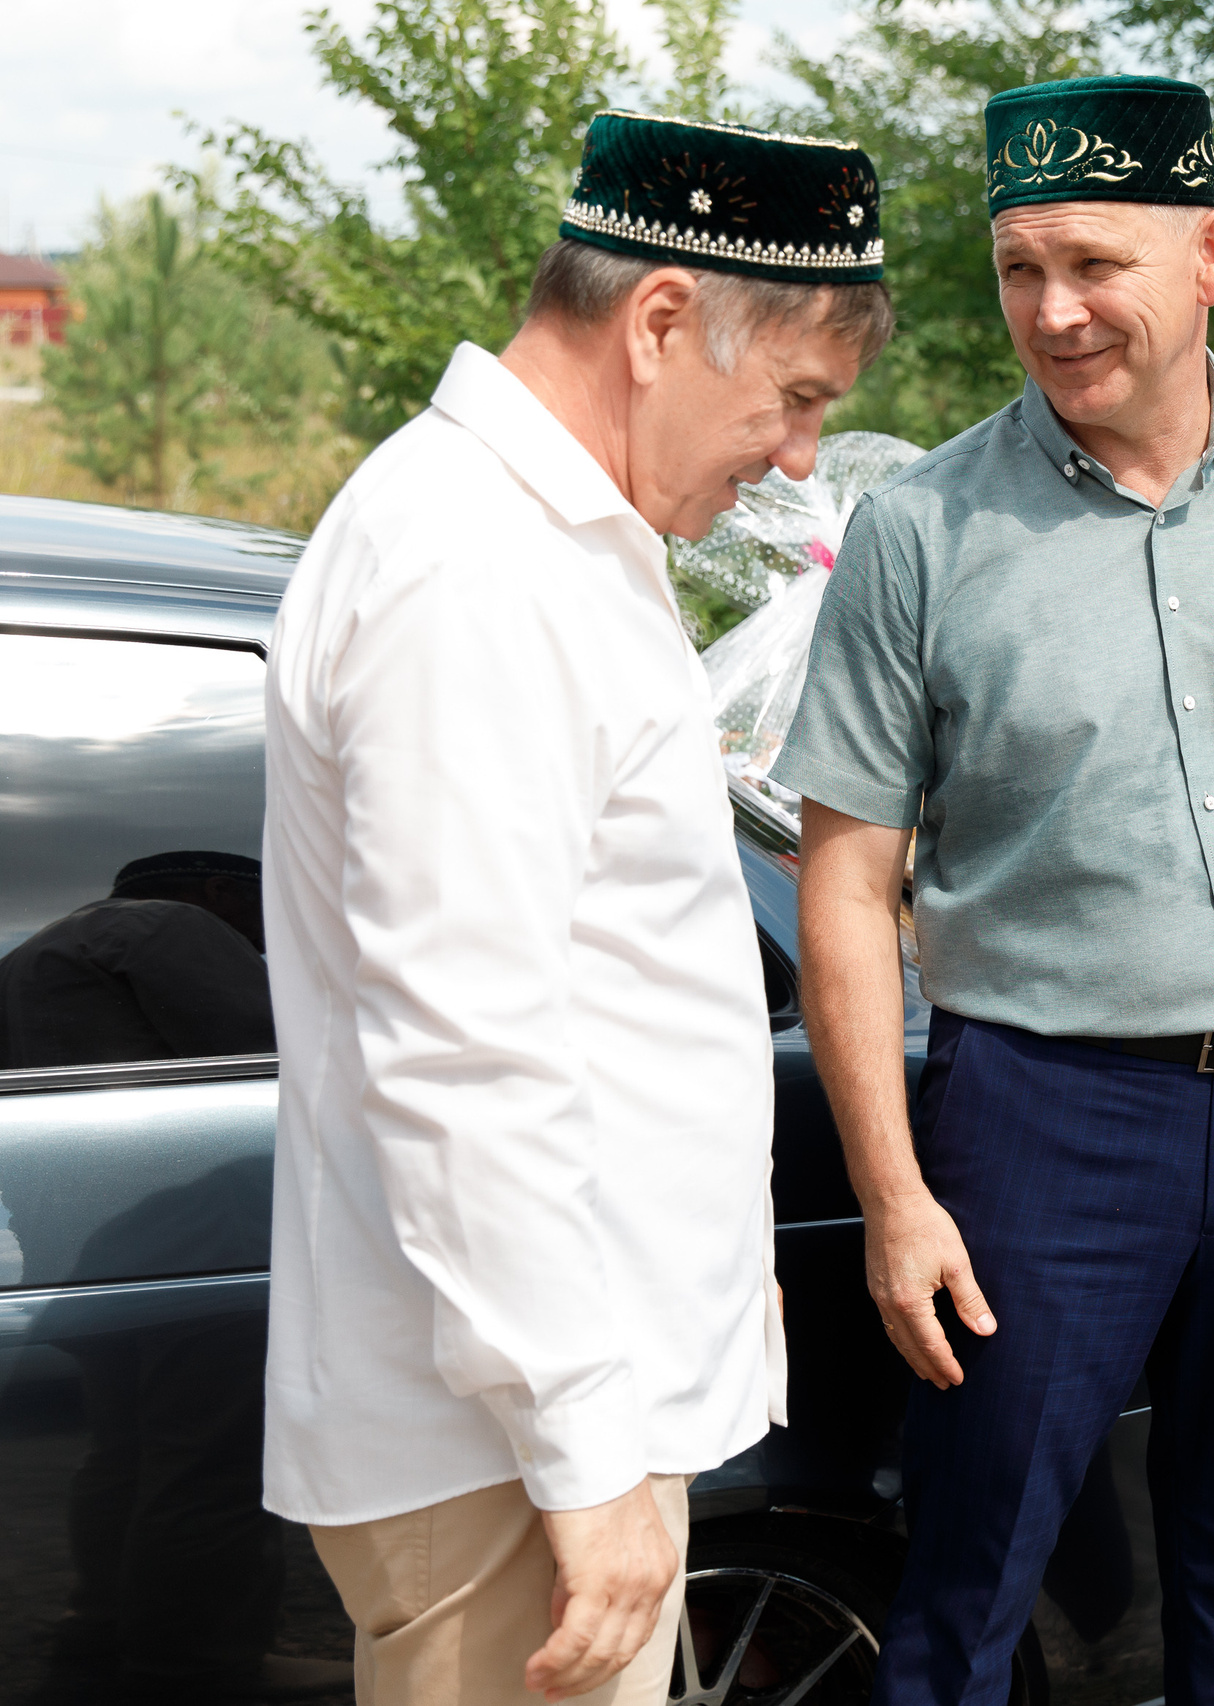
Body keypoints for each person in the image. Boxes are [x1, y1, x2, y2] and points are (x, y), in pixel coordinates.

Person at [771, 76, 1214, 1706]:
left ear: (1211, 252)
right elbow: (848, 881)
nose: (1053, 309)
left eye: (1094, 264)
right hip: (1038, 1126)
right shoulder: (924, 529)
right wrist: (896, 1196)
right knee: (965, 1596)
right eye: (1020, 270)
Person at [261, 111, 891, 1705]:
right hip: (509, 1452)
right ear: (662, 320)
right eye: (797, 398)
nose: (799, 458)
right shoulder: (473, 568)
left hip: (540, 1427)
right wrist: (584, 1450)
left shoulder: (543, 539)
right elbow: (468, 1054)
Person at [0, 851, 272, 1070]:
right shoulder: (171, 920)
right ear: (220, 889)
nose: (263, 943)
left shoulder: (24, 955)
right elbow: (260, 1050)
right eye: (268, 911)